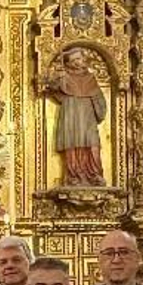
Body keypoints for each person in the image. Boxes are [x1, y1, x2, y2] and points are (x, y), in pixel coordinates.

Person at [44, 47, 107, 187]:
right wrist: (54, 79)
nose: (81, 61)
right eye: (77, 59)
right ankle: (74, 175)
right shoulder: (64, 77)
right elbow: (52, 89)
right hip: (71, 113)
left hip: (87, 115)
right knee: (72, 143)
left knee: (92, 144)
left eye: (81, 58)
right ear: (70, 63)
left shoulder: (90, 77)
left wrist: (99, 108)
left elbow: (98, 97)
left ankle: (94, 174)